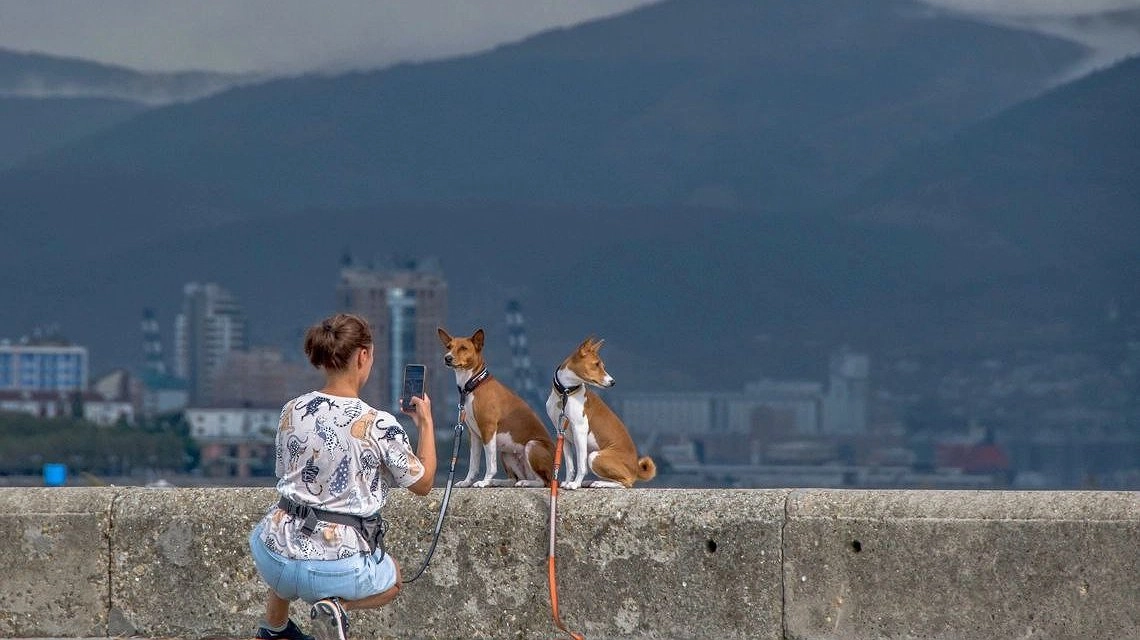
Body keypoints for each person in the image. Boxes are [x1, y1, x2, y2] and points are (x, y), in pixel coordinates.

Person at [248, 313, 436, 640]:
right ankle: (337, 610)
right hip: (333, 567)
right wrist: (426, 424)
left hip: (273, 555)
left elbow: (287, 479)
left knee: (291, 527)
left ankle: (274, 629)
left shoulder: (291, 409)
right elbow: (423, 483)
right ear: (363, 356)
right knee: (393, 581)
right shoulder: (379, 424)